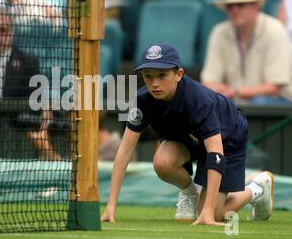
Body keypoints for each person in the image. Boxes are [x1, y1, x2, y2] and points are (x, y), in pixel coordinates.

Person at [101, 42, 275, 225]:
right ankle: (190, 193)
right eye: (148, 76)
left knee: (215, 214)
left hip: (227, 136)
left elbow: (216, 154)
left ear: (179, 75)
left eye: (162, 75)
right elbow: (124, 152)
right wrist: (110, 206)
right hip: (188, 136)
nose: (155, 83)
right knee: (162, 162)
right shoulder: (142, 100)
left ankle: (257, 189)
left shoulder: (199, 100)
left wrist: (207, 211)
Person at [201, 0, 292, 105]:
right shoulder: (219, 32)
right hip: (238, 103)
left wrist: (233, 91)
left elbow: (274, 88)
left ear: (256, 6)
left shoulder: (275, 30)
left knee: (261, 102)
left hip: (278, 107)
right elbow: (208, 82)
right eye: (229, 6)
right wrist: (227, 92)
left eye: (240, 5)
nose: (234, 10)